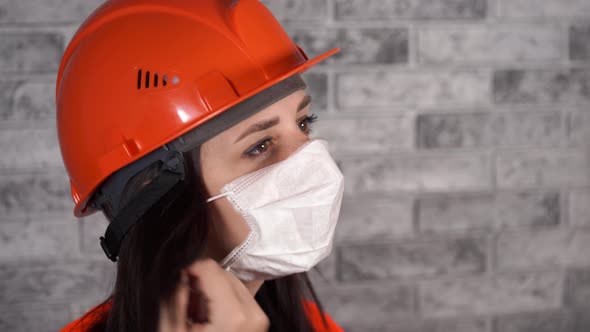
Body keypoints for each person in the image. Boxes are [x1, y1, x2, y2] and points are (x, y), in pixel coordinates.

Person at [55, 0, 345, 331]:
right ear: (157, 194)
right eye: (260, 145)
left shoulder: (313, 324)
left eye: (304, 123)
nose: (311, 162)